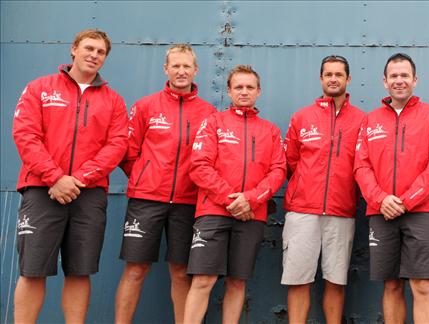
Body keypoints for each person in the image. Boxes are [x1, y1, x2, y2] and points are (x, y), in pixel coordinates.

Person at [11, 28, 128, 323]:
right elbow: (25, 135)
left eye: (101, 52)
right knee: (33, 270)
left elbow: (117, 145)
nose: (94, 55)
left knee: (80, 270)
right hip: (41, 189)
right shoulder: (39, 88)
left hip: (88, 194)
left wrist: (79, 179)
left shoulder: (114, 101)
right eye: (89, 48)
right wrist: (54, 177)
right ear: (74, 49)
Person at [114, 44, 216, 324]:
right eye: (176, 66)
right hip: (146, 200)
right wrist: (145, 179)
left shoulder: (208, 113)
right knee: (135, 269)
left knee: (181, 272)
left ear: (196, 70)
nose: (181, 71)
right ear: (166, 69)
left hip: (187, 202)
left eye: (186, 66)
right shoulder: (145, 106)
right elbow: (128, 152)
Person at [182, 65, 287, 324]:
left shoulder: (270, 130)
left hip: (251, 214)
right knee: (203, 279)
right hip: (212, 212)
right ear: (229, 90)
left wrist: (250, 199)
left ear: (258, 91)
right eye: (238, 87)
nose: (244, 92)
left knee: (238, 282)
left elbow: (278, 171)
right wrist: (232, 199)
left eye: (249, 87)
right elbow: (199, 166)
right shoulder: (213, 122)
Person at [354, 53, 429, 324]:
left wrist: (407, 201)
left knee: (422, 285)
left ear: (415, 80)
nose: (399, 81)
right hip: (381, 212)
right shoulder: (370, 120)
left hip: (421, 212)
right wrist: (381, 199)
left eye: (404, 75)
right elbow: (361, 167)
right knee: (391, 285)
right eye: (393, 76)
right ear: (384, 82)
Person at [282, 55, 365, 323]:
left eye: (338, 74)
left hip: (341, 211)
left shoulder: (362, 120)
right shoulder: (302, 117)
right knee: (298, 281)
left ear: (348, 79)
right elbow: (291, 161)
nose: (333, 79)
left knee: (335, 281)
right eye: (328, 74)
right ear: (320, 78)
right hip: (303, 210)